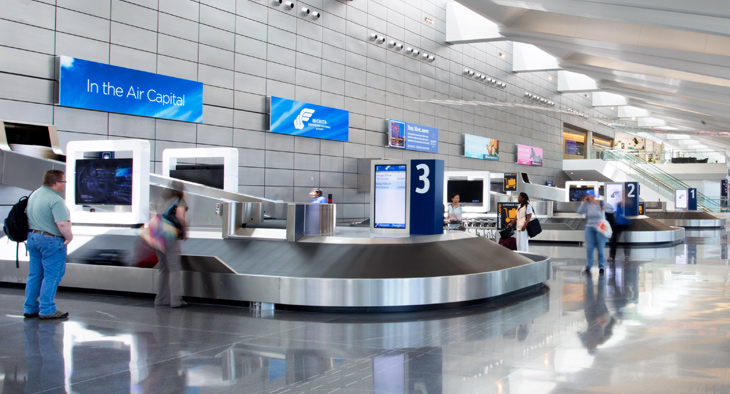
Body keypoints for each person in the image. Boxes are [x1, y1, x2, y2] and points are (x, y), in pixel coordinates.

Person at [24, 170, 73, 320]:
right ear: (56, 183)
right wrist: (69, 237)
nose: (65, 185)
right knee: (52, 275)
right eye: (64, 182)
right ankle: (47, 309)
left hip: (32, 238)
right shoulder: (55, 200)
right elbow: (62, 224)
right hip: (50, 241)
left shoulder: (35, 194)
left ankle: (30, 307)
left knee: (35, 274)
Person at [154, 184, 189, 308]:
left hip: (157, 235)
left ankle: (161, 299)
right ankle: (175, 300)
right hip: (170, 236)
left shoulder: (162, 199)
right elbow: (180, 217)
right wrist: (184, 232)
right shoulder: (179, 200)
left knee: (163, 269)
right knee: (174, 269)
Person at [578, 191, 611, 274]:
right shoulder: (587, 204)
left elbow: (612, 209)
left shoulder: (602, 203)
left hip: (600, 228)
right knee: (589, 248)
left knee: (600, 248)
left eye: (591, 195)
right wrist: (583, 203)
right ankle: (588, 266)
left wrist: (605, 208)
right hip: (590, 227)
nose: (589, 196)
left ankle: (601, 266)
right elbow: (579, 212)